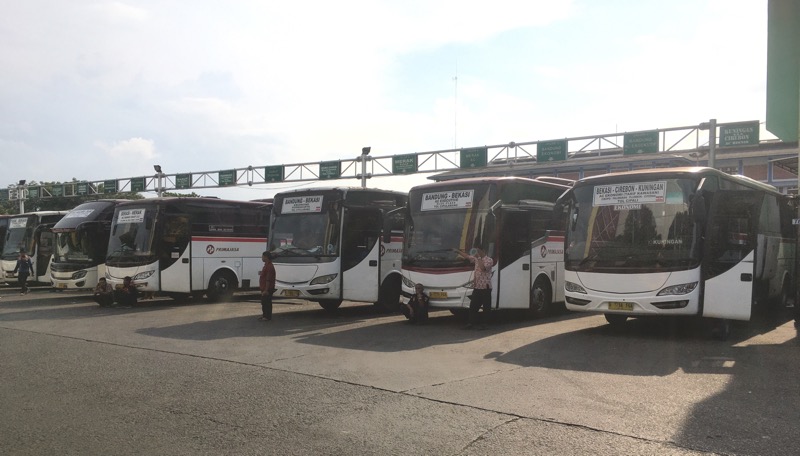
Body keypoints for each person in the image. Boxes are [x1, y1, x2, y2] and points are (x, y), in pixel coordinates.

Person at [455, 247, 494, 329]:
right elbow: (467, 256)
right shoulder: (476, 259)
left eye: (478, 251)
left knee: (486, 307)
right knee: (473, 306)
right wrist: (457, 251)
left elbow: (483, 268)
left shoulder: (489, 260)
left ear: (483, 251)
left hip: (485, 287)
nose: (476, 252)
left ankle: (485, 324)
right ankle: (471, 323)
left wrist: (479, 257)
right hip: (477, 287)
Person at [259, 251, 276, 321]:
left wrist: (266, 290)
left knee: (267, 302)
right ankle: (264, 315)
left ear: (266, 257)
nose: (262, 258)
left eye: (262, 256)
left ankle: (267, 316)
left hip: (268, 288)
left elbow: (268, 279)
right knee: (264, 302)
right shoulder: (266, 265)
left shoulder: (269, 266)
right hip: (264, 287)